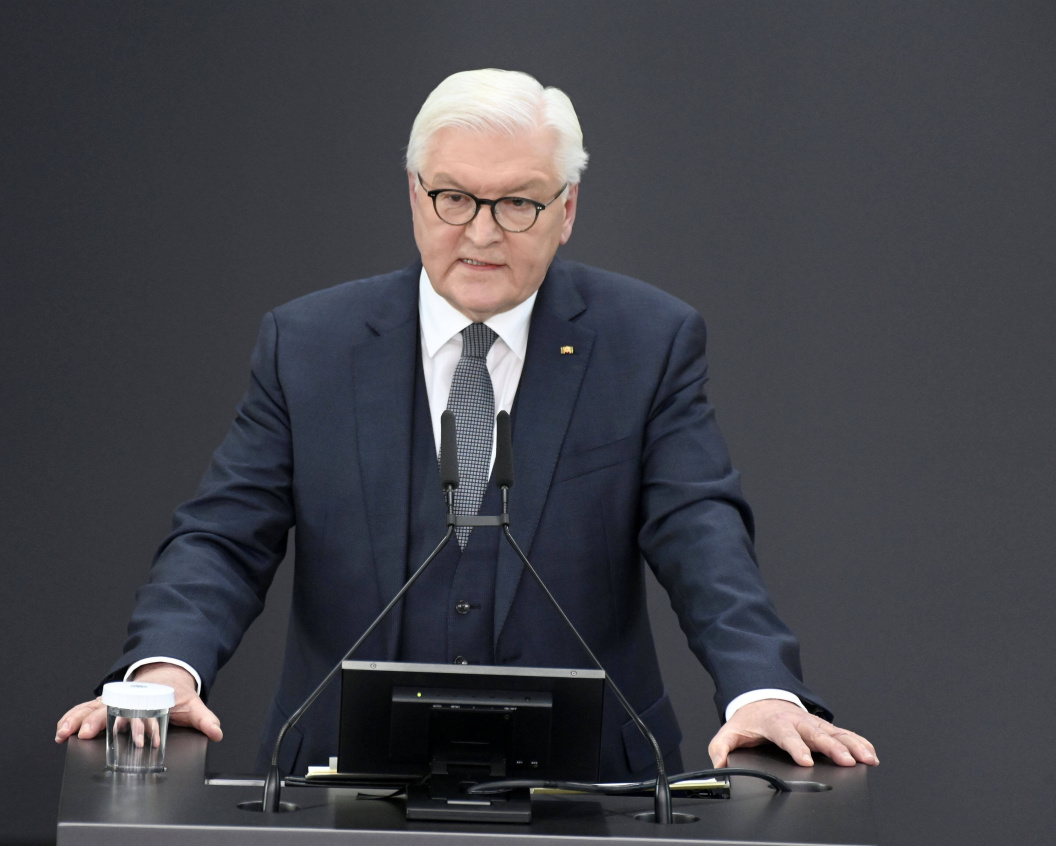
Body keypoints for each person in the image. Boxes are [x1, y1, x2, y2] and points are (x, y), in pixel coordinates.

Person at [56, 69, 877, 778]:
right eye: (453, 197)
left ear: (567, 208)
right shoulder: (309, 345)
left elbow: (702, 533)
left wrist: (761, 688)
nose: (481, 232)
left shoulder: (646, 341)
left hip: (591, 789)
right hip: (338, 779)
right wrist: (165, 669)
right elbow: (224, 537)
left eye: (518, 203)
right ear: (415, 194)